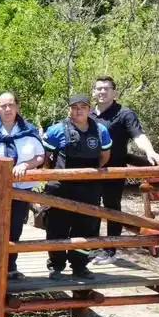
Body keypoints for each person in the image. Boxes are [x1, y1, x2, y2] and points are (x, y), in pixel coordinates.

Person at [92, 75, 159, 263]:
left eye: (106, 88)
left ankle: (110, 250)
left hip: (114, 170)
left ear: (114, 91)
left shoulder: (124, 113)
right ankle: (91, 247)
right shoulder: (88, 114)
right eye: (98, 88)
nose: (102, 91)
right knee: (89, 208)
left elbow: (138, 135)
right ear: (93, 91)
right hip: (90, 170)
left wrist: (150, 151)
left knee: (112, 208)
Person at [0, 92, 44, 279]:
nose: (7, 109)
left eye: (11, 105)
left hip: (19, 189)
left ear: (17, 107)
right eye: (3, 106)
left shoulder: (29, 130)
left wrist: (25, 165)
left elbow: (40, 156)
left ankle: (10, 266)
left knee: (15, 226)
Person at [43, 94, 112, 279]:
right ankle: (56, 266)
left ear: (90, 109)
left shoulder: (101, 131)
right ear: (69, 109)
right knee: (57, 227)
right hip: (61, 187)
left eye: (83, 106)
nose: (78, 110)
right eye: (74, 107)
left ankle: (80, 266)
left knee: (86, 228)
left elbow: (105, 157)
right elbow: (45, 157)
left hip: (89, 188)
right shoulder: (57, 130)